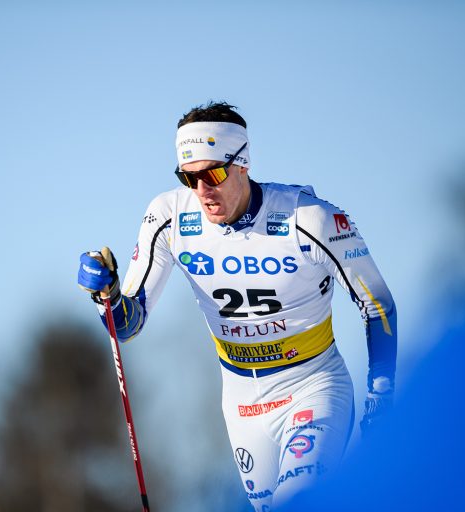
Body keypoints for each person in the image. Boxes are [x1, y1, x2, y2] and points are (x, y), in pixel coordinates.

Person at [77, 101, 397, 511]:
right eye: (188, 177)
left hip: (312, 386)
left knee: (297, 503)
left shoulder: (309, 218)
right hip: (242, 402)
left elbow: (378, 304)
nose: (202, 191)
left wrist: (381, 395)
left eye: (212, 174)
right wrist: (107, 295)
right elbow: (126, 325)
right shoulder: (170, 216)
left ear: (242, 163)